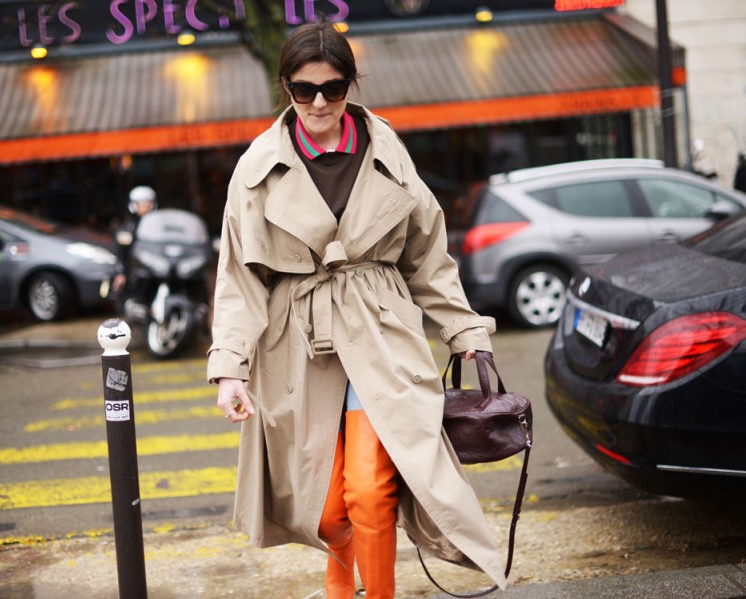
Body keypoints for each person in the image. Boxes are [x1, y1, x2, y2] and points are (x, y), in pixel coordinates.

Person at [207, 21, 505, 598]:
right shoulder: (257, 166)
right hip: (296, 339)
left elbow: (427, 253)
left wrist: (463, 331)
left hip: (380, 329)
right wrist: (229, 368)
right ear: (285, 88)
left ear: (351, 84)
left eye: (334, 87)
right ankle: (343, 579)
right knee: (322, 511)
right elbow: (239, 277)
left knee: (370, 492)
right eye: (303, 89)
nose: (319, 101)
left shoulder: (387, 149)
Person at [113, 185, 157, 317]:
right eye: (142, 203)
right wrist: (121, 273)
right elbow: (121, 252)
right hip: (136, 269)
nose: (146, 206)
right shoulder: (129, 227)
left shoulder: (158, 225)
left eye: (149, 203)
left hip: (156, 266)